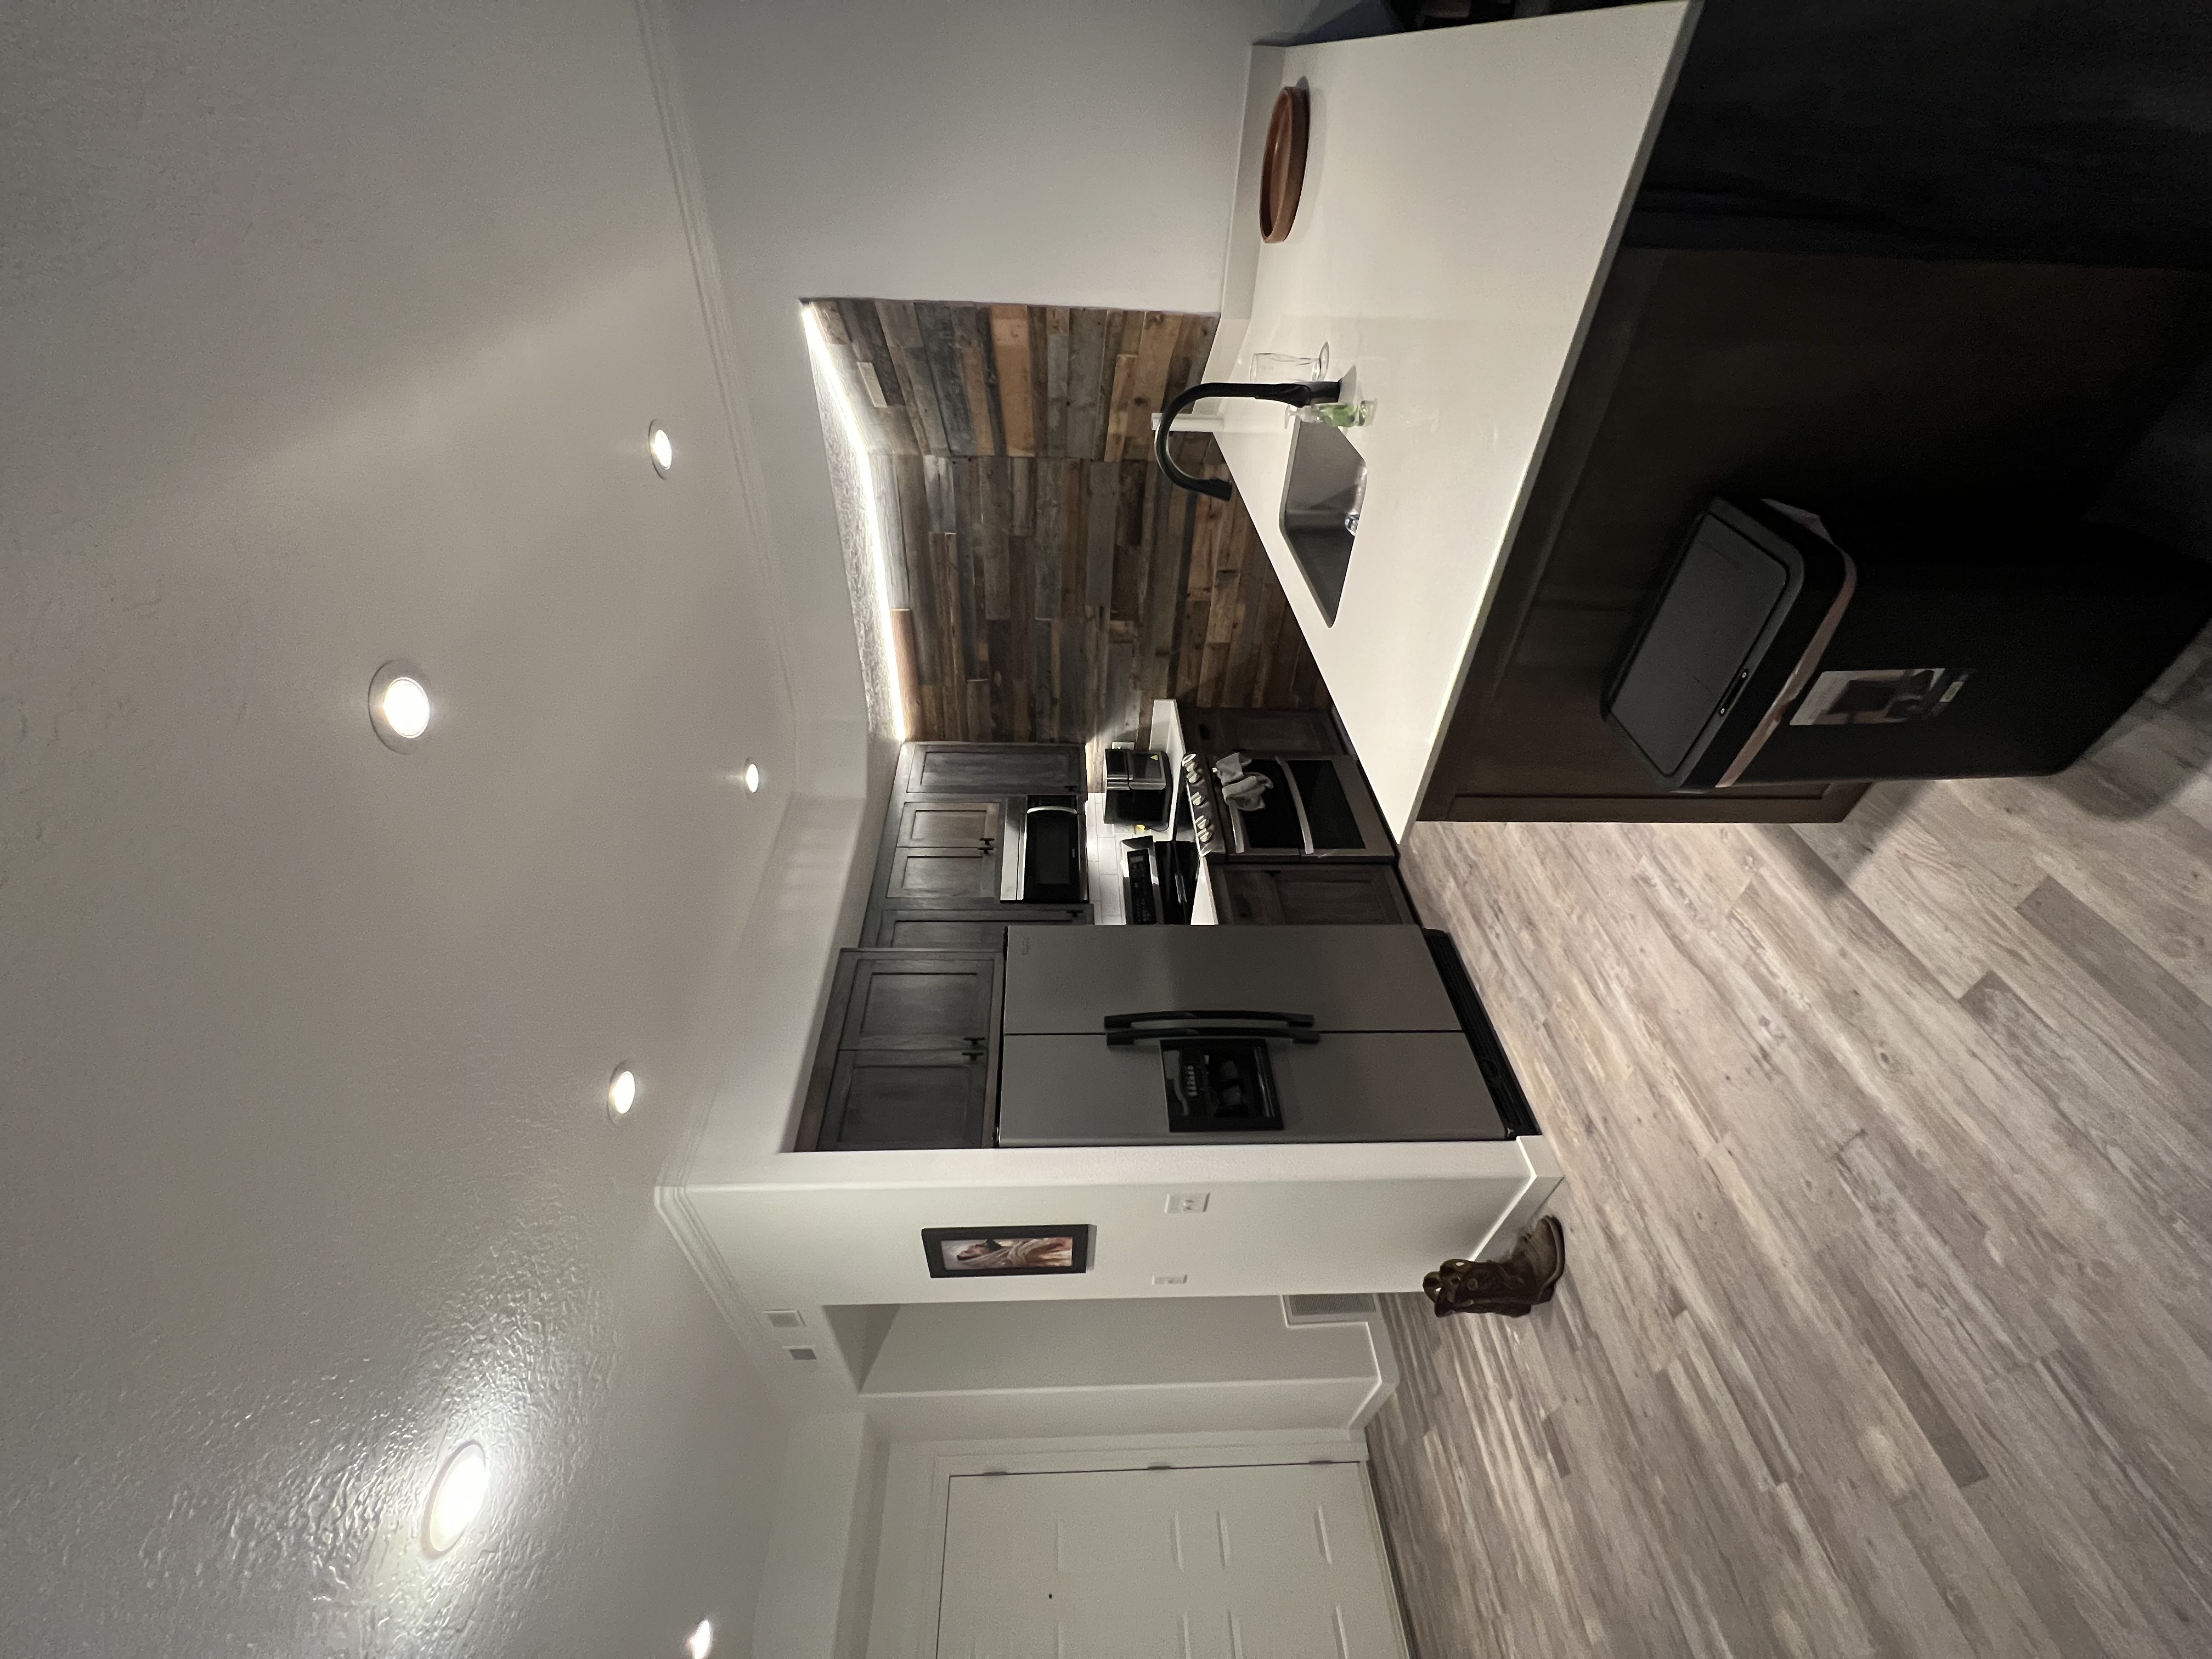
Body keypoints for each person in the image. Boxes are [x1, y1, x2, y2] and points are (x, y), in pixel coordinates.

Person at [1423, 1216, 1565, 1318]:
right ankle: (1530, 1280)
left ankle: (1517, 1289)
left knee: (1457, 1277)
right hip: (1524, 1280)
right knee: (1463, 1289)